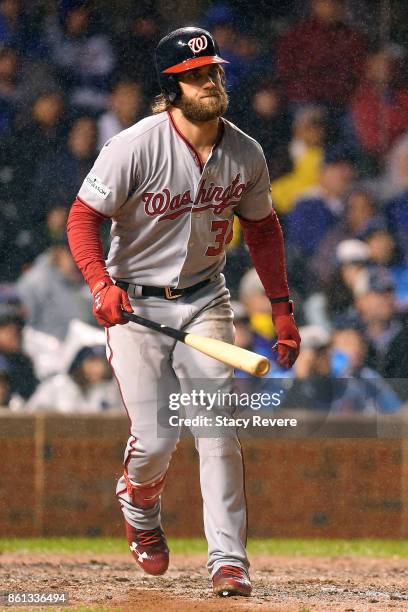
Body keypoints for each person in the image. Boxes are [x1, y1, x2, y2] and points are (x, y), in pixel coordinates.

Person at [67, 27, 300, 598]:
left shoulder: (245, 151)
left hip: (205, 299)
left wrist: (282, 308)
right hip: (134, 303)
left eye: (213, 71)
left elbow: (264, 230)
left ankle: (229, 562)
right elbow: (81, 216)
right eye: (196, 76)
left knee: (217, 430)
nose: (209, 81)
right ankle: (139, 503)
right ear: (172, 88)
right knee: (156, 437)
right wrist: (100, 284)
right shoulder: (135, 145)